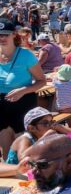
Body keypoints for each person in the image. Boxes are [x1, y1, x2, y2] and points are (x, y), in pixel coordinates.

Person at [0, 18, 45, 158]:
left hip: (23, 104)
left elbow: (41, 81)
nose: (2, 38)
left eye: (5, 34)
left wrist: (23, 90)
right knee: (7, 155)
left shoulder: (25, 55)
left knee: (24, 154)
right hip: (1, 106)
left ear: (14, 34)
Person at [6, 107, 71, 165]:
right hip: (14, 177)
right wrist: (44, 138)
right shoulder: (25, 139)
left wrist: (60, 127)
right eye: (45, 123)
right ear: (31, 128)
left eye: (51, 122)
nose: (50, 125)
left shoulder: (46, 134)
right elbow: (23, 159)